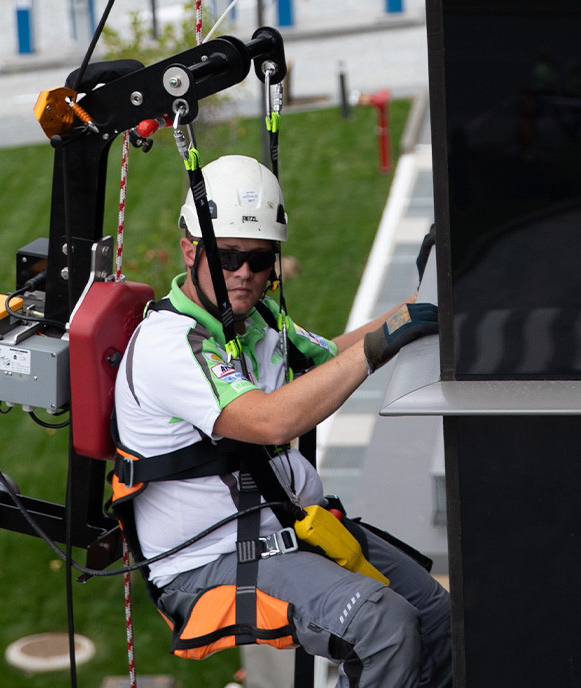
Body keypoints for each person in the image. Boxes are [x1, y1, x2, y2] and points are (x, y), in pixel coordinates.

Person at [114, 154, 450, 688]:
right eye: (226, 256)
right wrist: (379, 345)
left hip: (284, 526)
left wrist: (420, 303)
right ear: (189, 250)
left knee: (434, 613)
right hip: (210, 560)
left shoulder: (257, 319)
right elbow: (269, 421)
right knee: (383, 627)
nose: (244, 273)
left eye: (260, 259)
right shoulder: (172, 345)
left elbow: (326, 360)